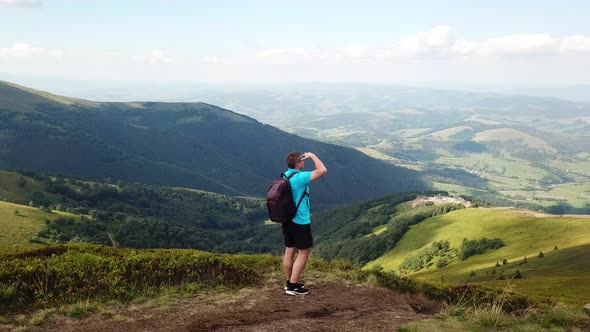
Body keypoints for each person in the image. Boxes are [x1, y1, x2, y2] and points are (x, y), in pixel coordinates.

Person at [282, 151, 327, 295]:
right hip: (300, 220)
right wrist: (313, 156)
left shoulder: (285, 175)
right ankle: (293, 286)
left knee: (289, 251)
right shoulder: (300, 177)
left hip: (287, 219)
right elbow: (322, 170)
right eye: (302, 161)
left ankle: (289, 282)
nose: (304, 162)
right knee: (303, 253)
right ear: (297, 164)